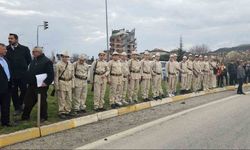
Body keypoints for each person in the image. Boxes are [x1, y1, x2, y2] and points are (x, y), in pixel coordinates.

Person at [21, 47, 54, 122]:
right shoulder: (33, 60)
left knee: (42, 101)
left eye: (34, 52)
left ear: (39, 52)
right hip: (32, 85)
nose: (32, 53)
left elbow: (51, 74)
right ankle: (25, 117)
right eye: (32, 52)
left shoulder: (46, 61)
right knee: (28, 101)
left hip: (41, 85)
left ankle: (43, 117)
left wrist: (46, 82)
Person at [6, 33, 32, 115]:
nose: (9, 40)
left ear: (16, 39)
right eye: (9, 38)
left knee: (24, 90)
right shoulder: (6, 49)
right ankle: (17, 108)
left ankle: (20, 104)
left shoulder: (24, 49)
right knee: (14, 92)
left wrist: (22, 67)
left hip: (23, 75)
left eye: (11, 38)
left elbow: (29, 60)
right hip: (12, 76)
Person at [55, 51, 75, 119]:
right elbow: (56, 76)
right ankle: (61, 112)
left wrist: (73, 84)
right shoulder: (58, 64)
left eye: (66, 57)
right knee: (62, 98)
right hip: (62, 82)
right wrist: (56, 86)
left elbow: (73, 75)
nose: (65, 58)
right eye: (64, 56)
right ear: (61, 57)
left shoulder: (70, 64)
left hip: (69, 82)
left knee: (69, 98)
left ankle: (67, 111)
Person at [0, 43, 12, 127]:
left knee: (6, 105)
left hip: (7, 86)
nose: (6, 50)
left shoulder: (5, 60)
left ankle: (5, 122)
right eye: (4, 49)